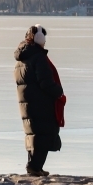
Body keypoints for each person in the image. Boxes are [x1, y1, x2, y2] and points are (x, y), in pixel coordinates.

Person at [14, 24, 65, 177]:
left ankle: (33, 166)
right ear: (39, 38)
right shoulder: (39, 57)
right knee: (44, 134)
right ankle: (36, 168)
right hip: (40, 103)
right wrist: (58, 92)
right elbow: (45, 82)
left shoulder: (22, 57)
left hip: (26, 101)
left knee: (33, 134)